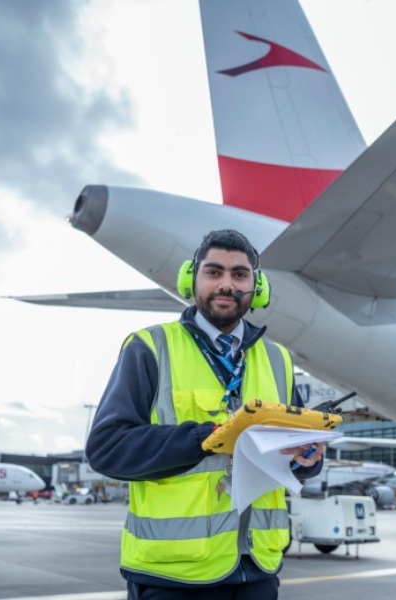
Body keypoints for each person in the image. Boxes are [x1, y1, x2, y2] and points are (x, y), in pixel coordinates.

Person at [86, 229, 325, 600]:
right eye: (214, 272)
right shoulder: (150, 347)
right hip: (174, 575)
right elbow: (107, 448)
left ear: (256, 287)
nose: (226, 284)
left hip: (258, 570)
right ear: (190, 279)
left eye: (239, 275)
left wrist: (306, 458)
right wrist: (206, 438)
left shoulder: (278, 360)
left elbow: (285, 458)